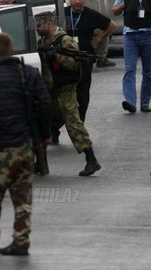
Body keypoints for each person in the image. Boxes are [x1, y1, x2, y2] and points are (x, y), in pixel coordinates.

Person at [0, 33, 51, 256]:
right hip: (25, 145)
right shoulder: (28, 74)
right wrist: (45, 134)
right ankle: (21, 241)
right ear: (12, 50)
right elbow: (45, 103)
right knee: (22, 196)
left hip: (1, 148)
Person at [36, 13, 102, 176]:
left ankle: (91, 160)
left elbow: (75, 63)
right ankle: (40, 163)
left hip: (65, 89)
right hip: (49, 90)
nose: (36, 28)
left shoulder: (64, 40)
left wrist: (56, 56)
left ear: (49, 24)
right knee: (40, 125)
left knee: (73, 124)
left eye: (39, 25)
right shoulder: (41, 42)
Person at [64, 0, 116, 123]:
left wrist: (99, 38)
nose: (77, 1)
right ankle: (55, 129)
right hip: (65, 60)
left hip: (84, 59)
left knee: (82, 94)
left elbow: (112, 25)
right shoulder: (62, 13)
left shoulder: (90, 14)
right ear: (69, 0)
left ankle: (80, 121)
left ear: (84, 0)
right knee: (63, 94)